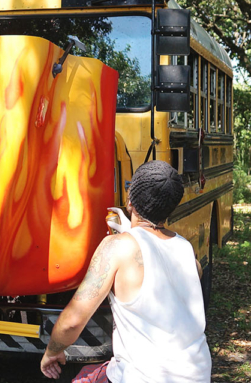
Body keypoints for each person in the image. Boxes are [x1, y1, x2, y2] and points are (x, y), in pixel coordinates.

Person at [40, 160, 211, 382]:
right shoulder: (185, 249)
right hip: (198, 375)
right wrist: (133, 231)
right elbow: (187, 270)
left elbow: (72, 321)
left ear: (130, 200)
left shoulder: (116, 247)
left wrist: (52, 352)